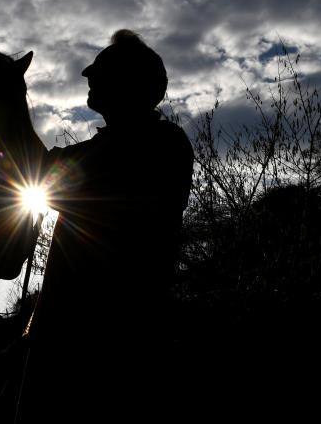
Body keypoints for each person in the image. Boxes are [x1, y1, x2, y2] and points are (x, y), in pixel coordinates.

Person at [19, 30, 194, 422]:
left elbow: (45, 172)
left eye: (99, 72)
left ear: (128, 83)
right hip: (81, 338)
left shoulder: (151, 144)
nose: (88, 77)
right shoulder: (125, 144)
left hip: (102, 344)